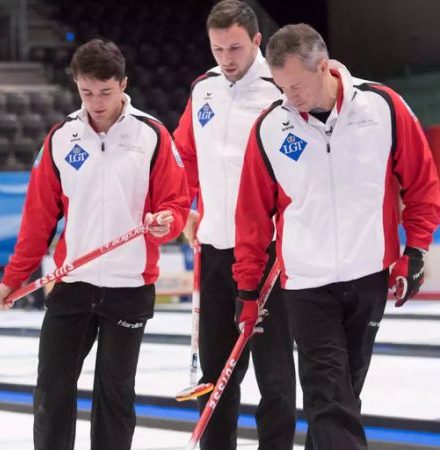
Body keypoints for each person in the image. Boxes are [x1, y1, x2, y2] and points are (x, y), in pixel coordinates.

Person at [233, 24, 440, 450]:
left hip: (368, 276)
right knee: (328, 393)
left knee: (342, 397)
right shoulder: (271, 129)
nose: (288, 97)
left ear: (324, 67)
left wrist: (415, 250)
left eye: (295, 85)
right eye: (279, 87)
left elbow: (421, 185)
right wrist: (248, 288)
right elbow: (252, 218)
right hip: (307, 285)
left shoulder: (383, 107)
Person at [0, 38, 189, 450]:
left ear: (123, 84)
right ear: (76, 87)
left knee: (115, 396)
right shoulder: (62, 137)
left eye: (105, 92)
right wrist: (14, 278)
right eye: (86, 92)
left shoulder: (151, 135)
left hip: (129, 287)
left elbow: (175, 205)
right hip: (72, 283)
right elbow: (39, 218)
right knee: (51, 392)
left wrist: (164, 224)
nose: (96, 102)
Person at [172, 2, 297, 449]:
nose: (226, 58)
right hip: (214, 250)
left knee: (276, 378)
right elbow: (183, 153)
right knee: (216, 377)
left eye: (236, 48)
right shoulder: (204, 87)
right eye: (217, 48)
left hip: (268, 255)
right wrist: (186, 204)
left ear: (258, 42)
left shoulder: (281, 89)